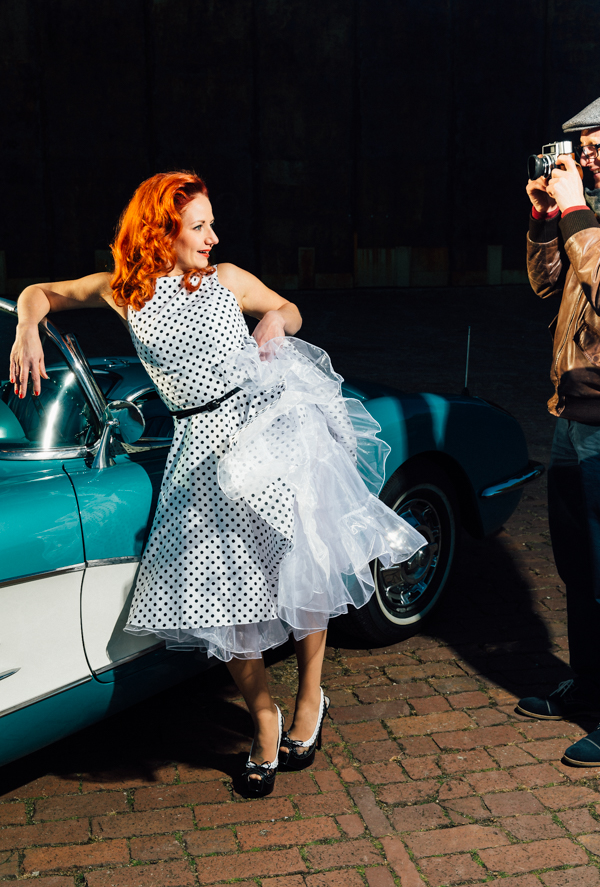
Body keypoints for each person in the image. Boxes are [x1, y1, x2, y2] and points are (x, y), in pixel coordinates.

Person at [10, 171, 425, 794]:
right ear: (162, 230)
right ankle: (264, 717)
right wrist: (26, 328)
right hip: (198, 450)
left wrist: (275, 321)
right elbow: (40, 292)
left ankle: (310, 696)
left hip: (264, 428)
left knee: (305, 565)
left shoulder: (226, 278)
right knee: (217, 596)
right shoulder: (124, 291)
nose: (212, 236)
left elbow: (290, 309)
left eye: (211, 224)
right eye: (199, 225)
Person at [518, 87, 600, 766]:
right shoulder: (592, 212)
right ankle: (590, 686)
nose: (585, 160)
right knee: (578, 568)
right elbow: (545, 283)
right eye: (579, 150)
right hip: (571, 414)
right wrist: (544, 217)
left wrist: (577, 209)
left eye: (597, 146)